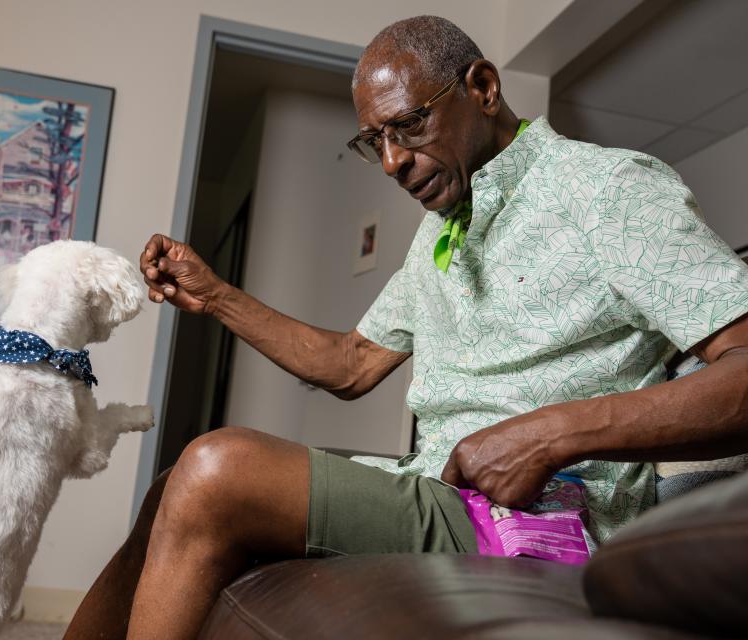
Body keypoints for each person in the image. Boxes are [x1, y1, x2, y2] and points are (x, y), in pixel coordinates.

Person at [63, 16, 748, 640]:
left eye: (409, 126)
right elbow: (351, 364)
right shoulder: (440, 234)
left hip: (541, 521)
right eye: (375, 141)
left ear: (480, 87)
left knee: (216, 468)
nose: (392, 162)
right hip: (437, 487)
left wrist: (553, 432)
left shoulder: (609, 190)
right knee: (175, 486)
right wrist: (214, 297)